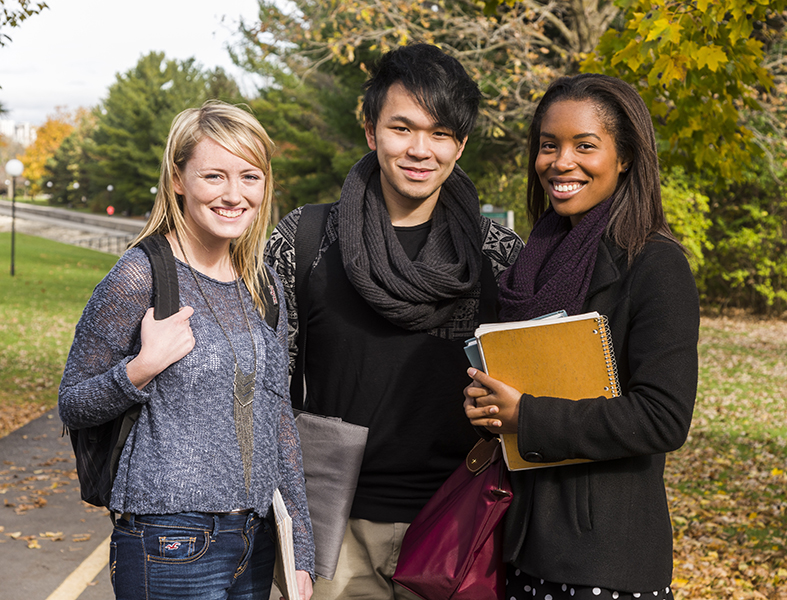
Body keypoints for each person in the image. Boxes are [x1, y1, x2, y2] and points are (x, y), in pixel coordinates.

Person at [266, 43, 523, 599]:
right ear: (370, 131)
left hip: (461, 526)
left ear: (461, 144)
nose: (420, 149)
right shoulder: (304, 242)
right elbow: (265, 390)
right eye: (402, 128)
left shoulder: (499, 257)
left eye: (440, 133)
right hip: (334, 531)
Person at [59, 101, 314, 600]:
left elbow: (278, 416)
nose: (235, 195)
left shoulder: (263, 285)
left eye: (250, 176)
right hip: (169, 540)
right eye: (214, 176)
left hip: (256, 539)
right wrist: (140, 369)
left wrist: (299, 546)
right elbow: (72, 402)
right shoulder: (140, 276)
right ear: (178, 179)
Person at [464, 73, 699, 600]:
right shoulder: (534, 260)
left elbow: (663, 418)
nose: (560, 162)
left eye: (584, 145)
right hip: (522, 540)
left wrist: (527, 415)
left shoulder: (655, 264)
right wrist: (488, 406)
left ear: (627, 156)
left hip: (603, 560)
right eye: (549, 145)